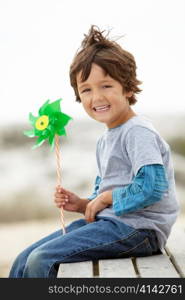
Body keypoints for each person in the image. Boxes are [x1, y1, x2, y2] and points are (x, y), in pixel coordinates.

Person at [9, 25, 179, 278]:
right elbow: (105, 196)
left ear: (128, 88)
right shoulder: (106, 138)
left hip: (140, 231)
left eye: (106, 86)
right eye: (86, 89)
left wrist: (106, 198)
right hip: (112, 224)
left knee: (41, 260)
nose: (96, 97)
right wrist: (83, 204)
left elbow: (152, 187)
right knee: (23, 260)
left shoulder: (137, 131)